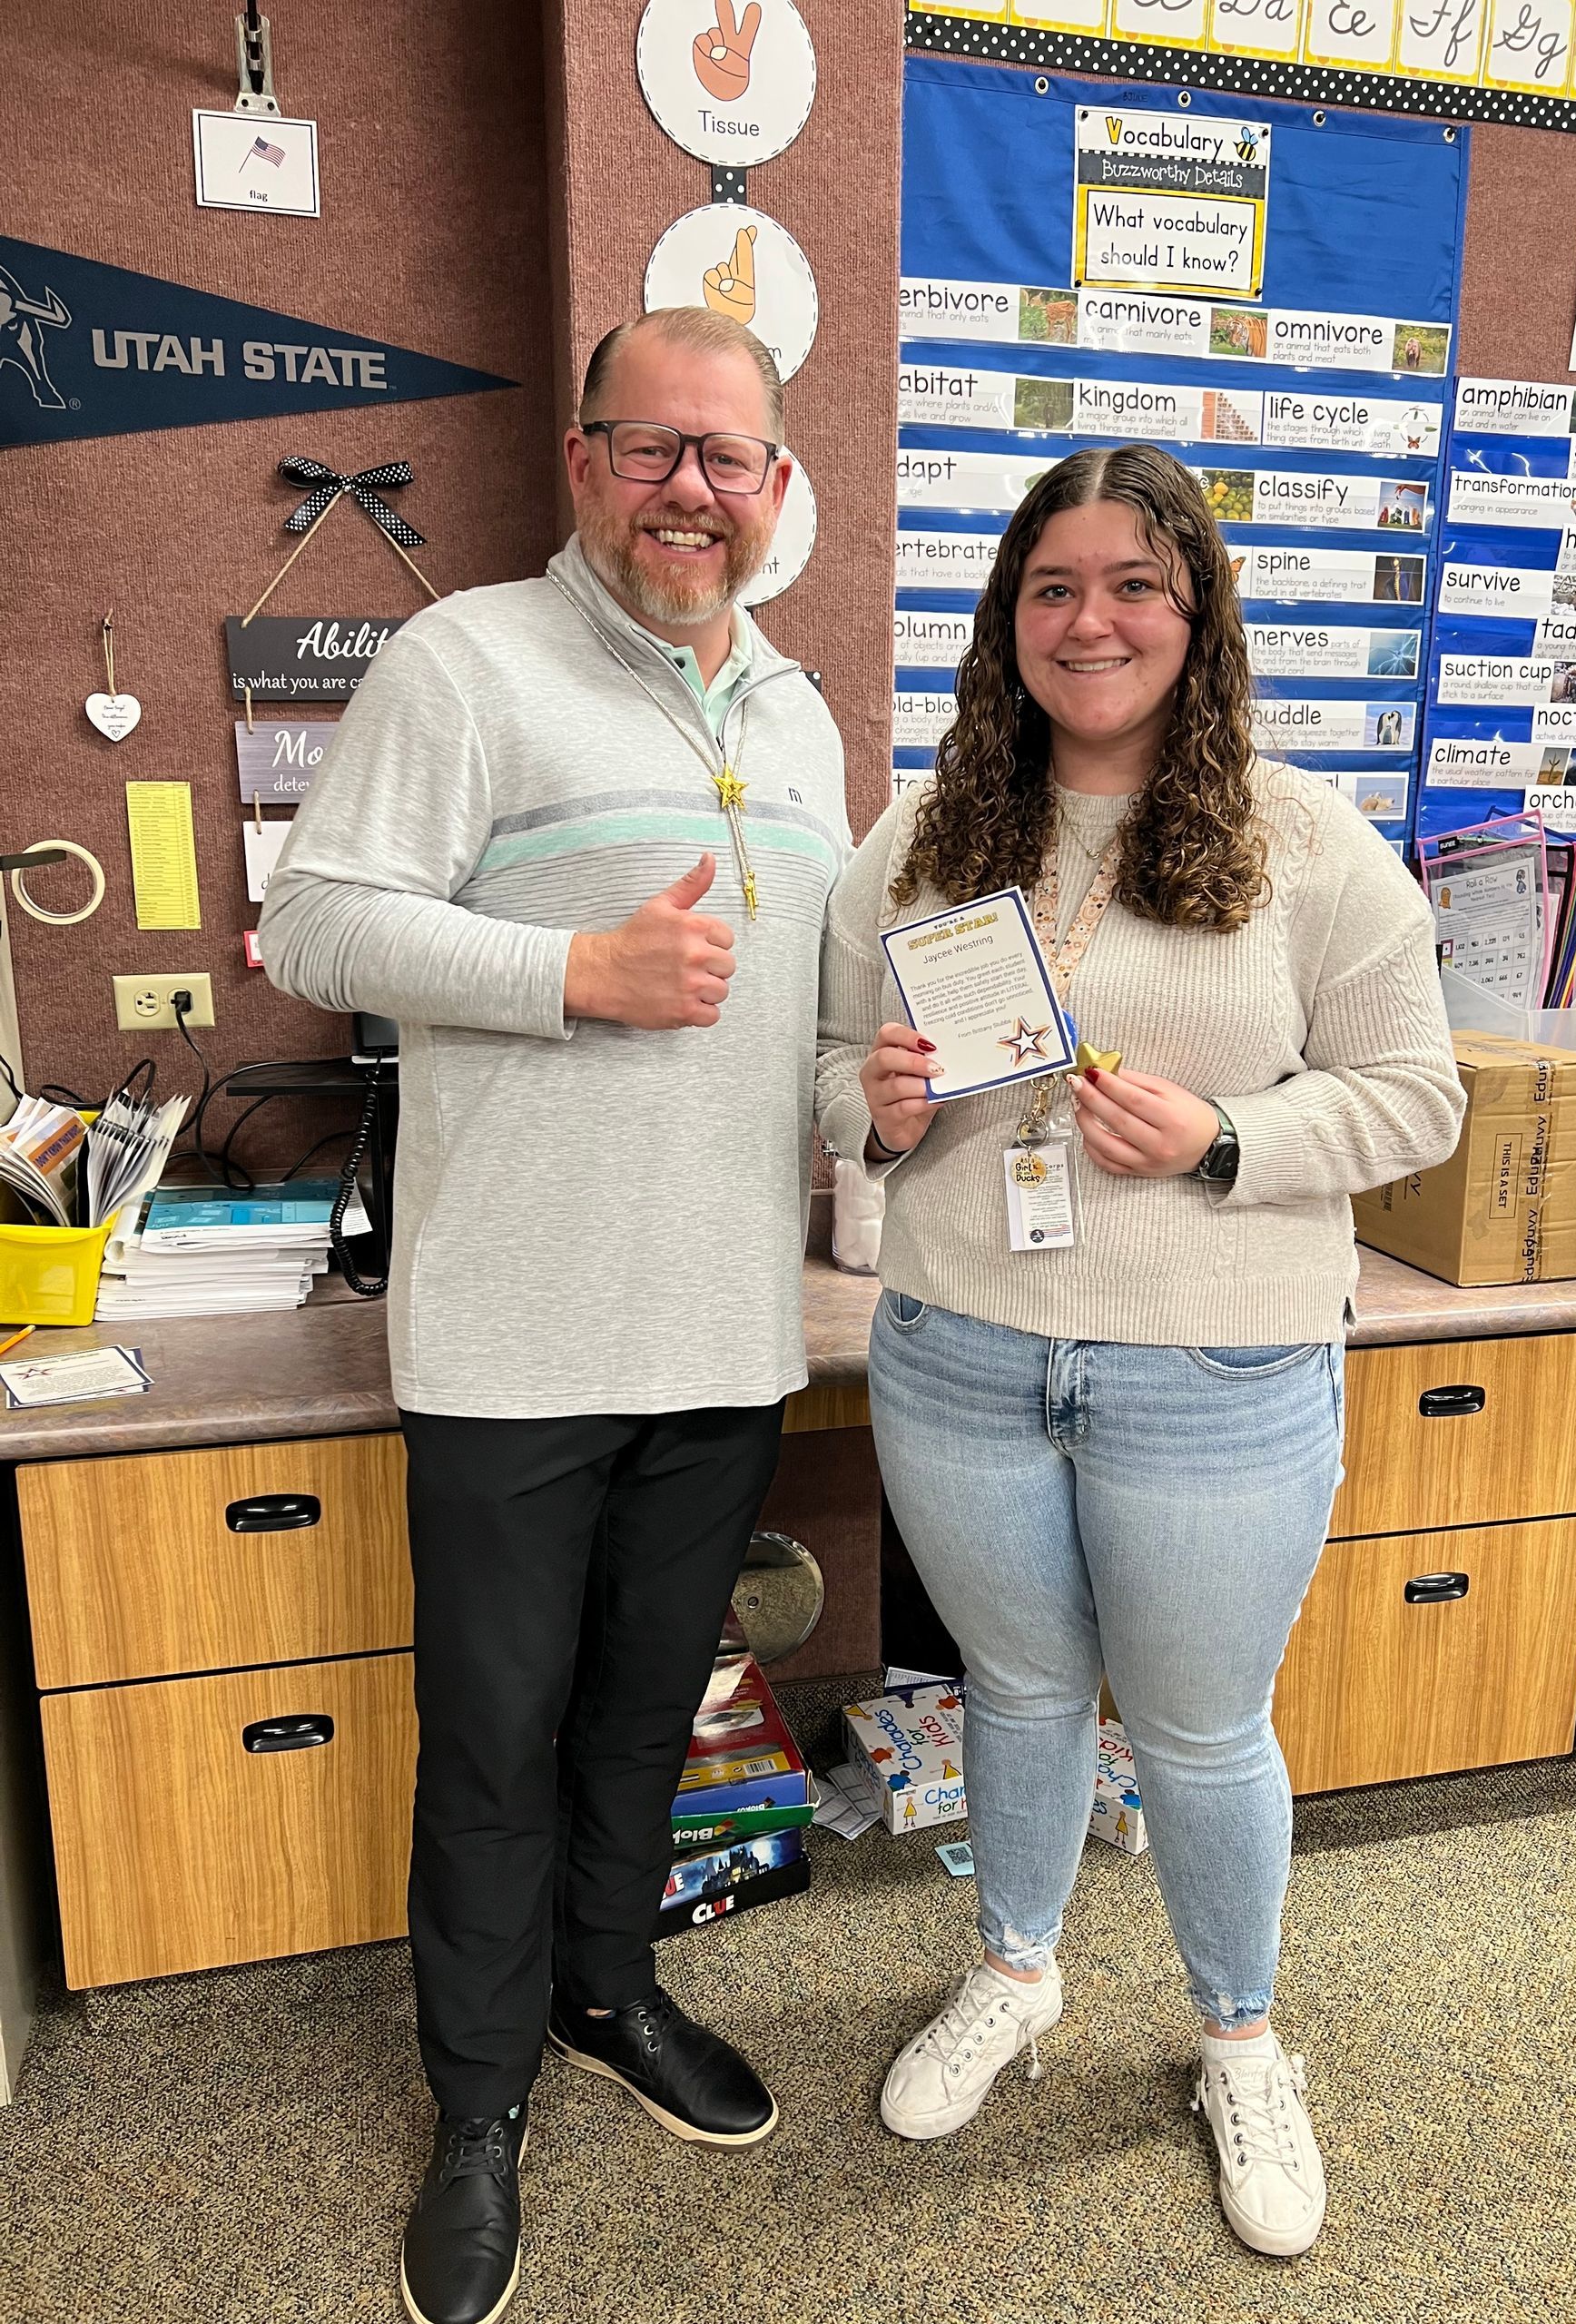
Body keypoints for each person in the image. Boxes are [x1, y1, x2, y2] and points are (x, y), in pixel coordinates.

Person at [260, 307, 850, 2324]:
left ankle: (610, 1984)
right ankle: (480, 2098)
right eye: (658, 449)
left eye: (734, 459)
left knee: (637, 1714)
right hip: (515, 1337)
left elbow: (815, 1023)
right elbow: (315, 921)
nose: (697, 490)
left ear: (779, 488)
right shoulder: (467, 660)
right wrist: (568, 970)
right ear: (590, 461)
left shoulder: (800, 712)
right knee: (495, 1739)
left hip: (724, 1332)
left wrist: (892, 1098)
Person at [816, 443, 1463, 2260]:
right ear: (1006, 614)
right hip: (960, 1351)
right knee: (1015, 1692)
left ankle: (1239, 2039)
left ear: (1197, 610)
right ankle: (1015, 1971)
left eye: (1132, 584)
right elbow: (825, 1071)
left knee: (1194, 1728)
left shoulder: (1304, 838)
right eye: (1052, 586)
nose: (1090, 619)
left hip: (1217, 1368)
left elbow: (1418, 1097)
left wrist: (1228, 1139)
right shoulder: (925, 832)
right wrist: (869, 1103)